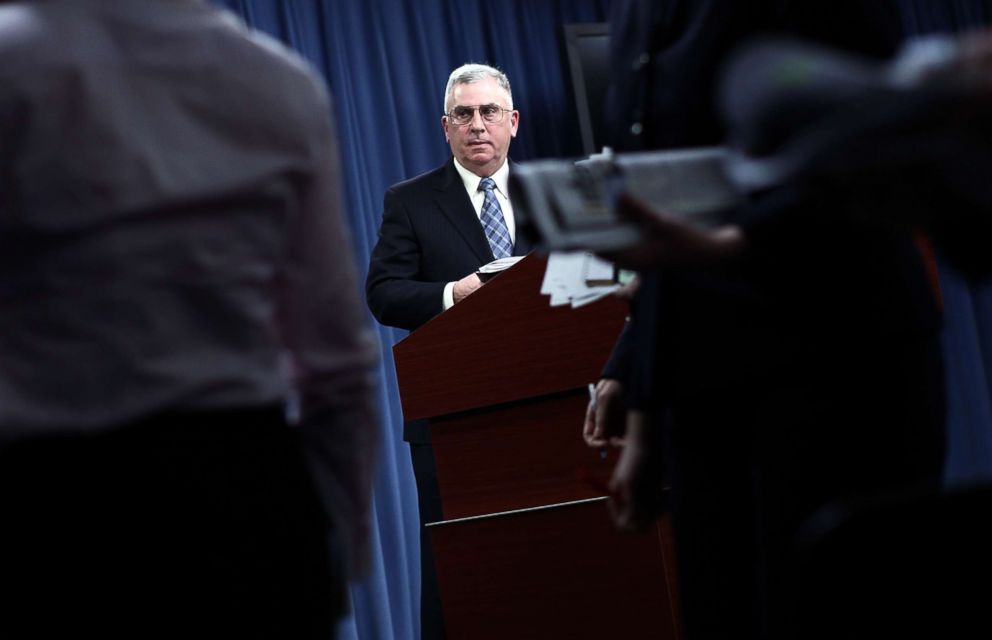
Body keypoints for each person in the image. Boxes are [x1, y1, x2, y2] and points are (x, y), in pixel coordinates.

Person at [0, 1, 378, 638]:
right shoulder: (279, 82)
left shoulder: (13, 64)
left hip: (51, 515)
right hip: (253, 517)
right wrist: (337, 549)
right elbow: (337, 362)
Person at [583, 2, 948, 639]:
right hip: (704, 396)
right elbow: (666, 214)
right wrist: (644, 412)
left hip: (838, 361)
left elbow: (873, 139)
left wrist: (732, 248)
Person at [365, 63, 532, 639]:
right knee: (461, 570)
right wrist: (452, 294)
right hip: (454, 418)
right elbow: (383, 294)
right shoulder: (409, 201)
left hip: (556, 405)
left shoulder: (554, 192)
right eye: (464, 114)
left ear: (512, 122)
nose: (477, 126)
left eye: (489, 113)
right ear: (445, 127)